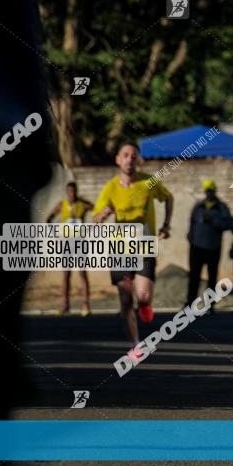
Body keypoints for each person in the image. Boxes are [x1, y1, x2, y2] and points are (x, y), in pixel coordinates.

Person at [92, 142, 173, 357]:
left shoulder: (149, 181)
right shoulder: (110, 187)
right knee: (126, 299)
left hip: (145, 243)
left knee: (143, 296)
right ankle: (136, 345)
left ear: (138, 160)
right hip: (120, 246)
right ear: (118, 160)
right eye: (125, 155)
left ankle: (145, 305)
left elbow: (169, 198)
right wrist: (103, 214)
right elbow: (98, 213)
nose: (129, 159)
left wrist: (166, 225)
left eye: (133, 155)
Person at [46, 182, 94, 316]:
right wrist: (55, 235)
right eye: (70, 192)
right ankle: (65, 304)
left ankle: (85, 304)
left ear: (76, 192)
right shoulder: (62, 205)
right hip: (66, 243)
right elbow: (48, 219)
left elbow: (98, 210)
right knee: (66, 274)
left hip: (79, 243)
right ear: (67, 193)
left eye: (74, 192)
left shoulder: (82, 204)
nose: (72, 194)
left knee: (82, 273)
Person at [186, 179, 233, 310]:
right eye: (207, 191)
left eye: (211, 191)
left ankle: (210, 304)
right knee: (194, 276)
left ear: (214, 191)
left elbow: (228, 224)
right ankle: (190, 302)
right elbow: (192, 223)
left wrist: (213, 220)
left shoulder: (221, 207)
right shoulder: (198, 206)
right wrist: (191, 236)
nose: (209, 194)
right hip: (196, 247)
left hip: (213, 247)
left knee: (212, 277)